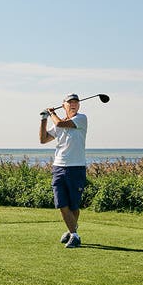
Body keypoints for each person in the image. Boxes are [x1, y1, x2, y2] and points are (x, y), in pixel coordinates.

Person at [40, 94, 88, 249]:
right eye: (70, 102)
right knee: (61, 203)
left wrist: (52, 113)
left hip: (76, 167)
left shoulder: (81, 118)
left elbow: (60, 123)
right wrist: (44, 119)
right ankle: (74, 235)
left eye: (76, 102)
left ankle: (71, 230)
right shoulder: (57, 124)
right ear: (64, 105)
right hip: (58, 167)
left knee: (74, 206)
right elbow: (43, 139)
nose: (73, 104)